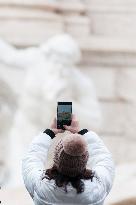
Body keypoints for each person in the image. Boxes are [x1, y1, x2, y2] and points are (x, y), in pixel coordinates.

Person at [22, 114, 115, 205]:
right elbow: (103, 156)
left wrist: (50, 132)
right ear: (85, 158)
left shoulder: (41, 186)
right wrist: (80, 131)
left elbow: (32, 158)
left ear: (57, 158)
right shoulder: (98, 187)